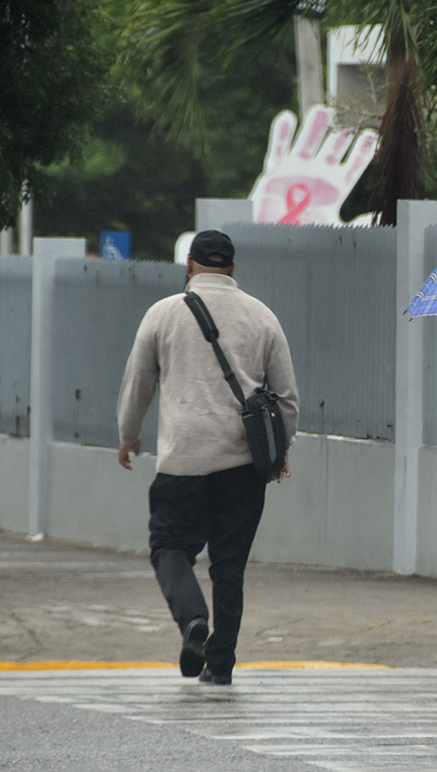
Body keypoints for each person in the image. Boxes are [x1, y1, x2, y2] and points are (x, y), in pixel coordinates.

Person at [116, 229, 299, 686]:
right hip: (242, 468)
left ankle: (193, 619)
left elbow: (138, 383)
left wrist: (128, 436)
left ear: (190, 266)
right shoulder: (263, 317)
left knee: (169, 548)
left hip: (182, 464)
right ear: (233, 269)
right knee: (230, 567)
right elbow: (288, 398)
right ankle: (220, 665)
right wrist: (281, 451)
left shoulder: (162, 315)